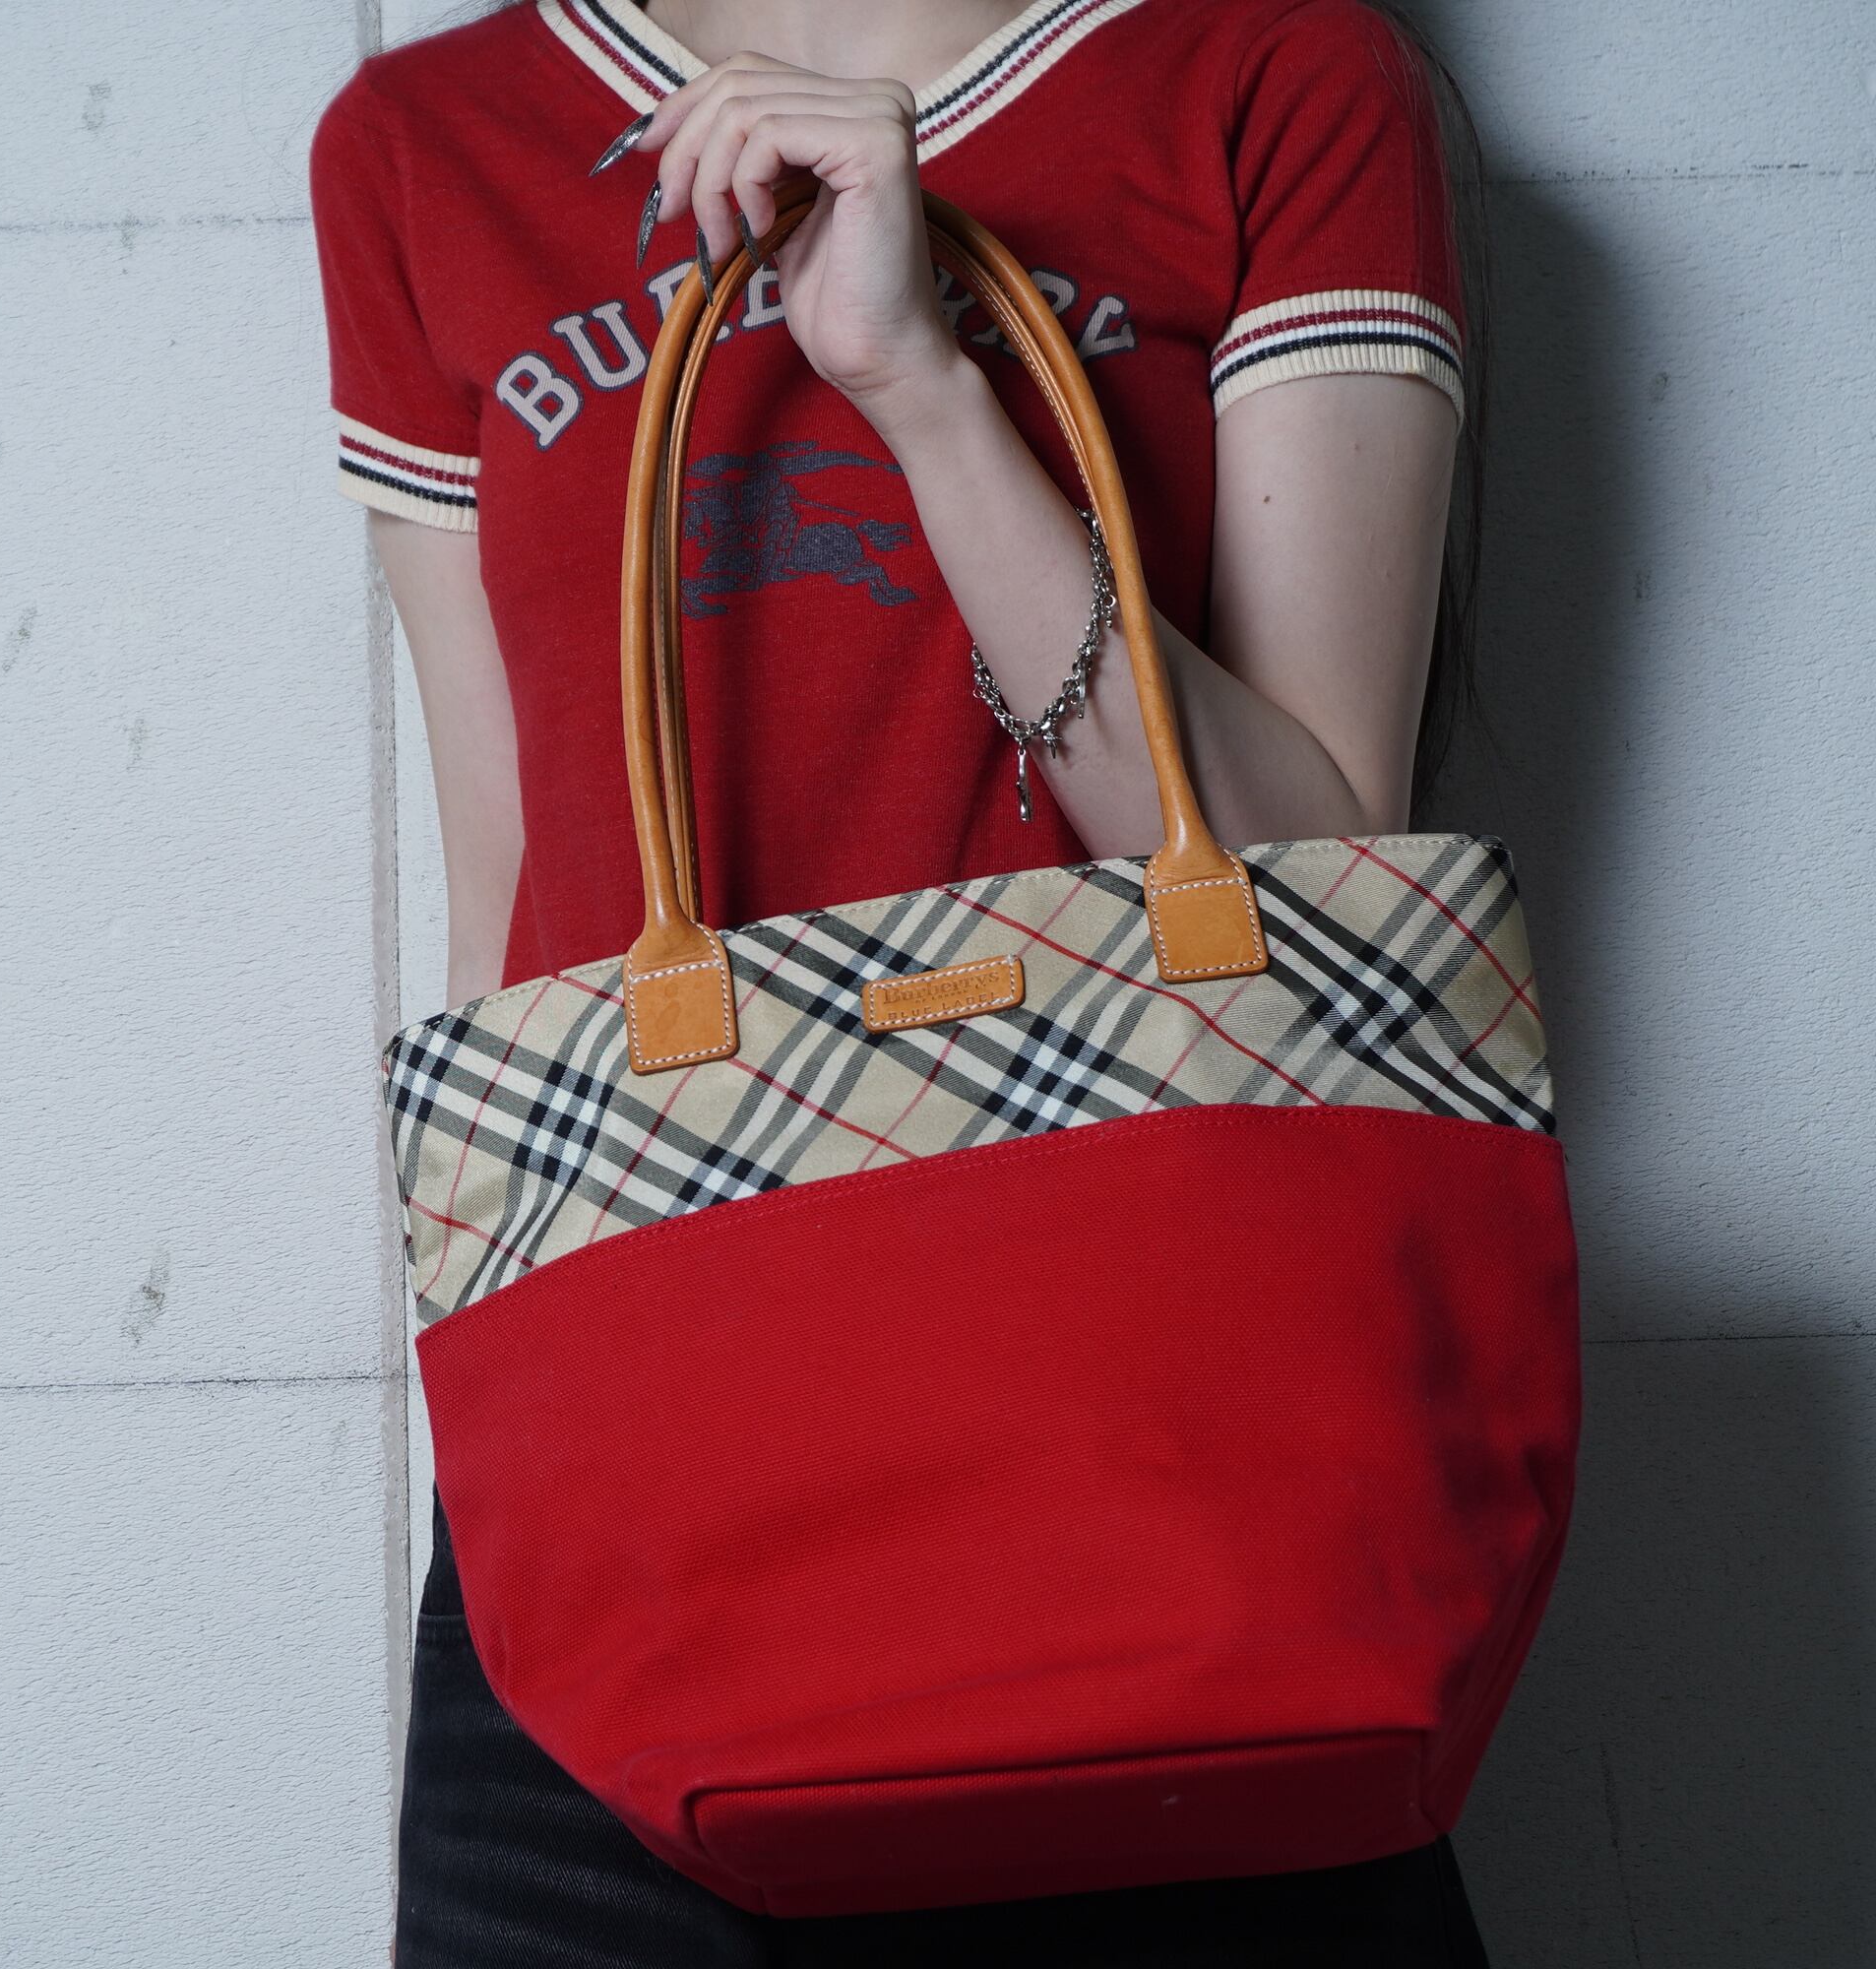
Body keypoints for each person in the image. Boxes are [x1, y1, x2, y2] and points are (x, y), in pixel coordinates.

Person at [310, 1, 1497, 1961]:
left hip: (1174, 1444)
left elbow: (1314, 899)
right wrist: (516, 1433)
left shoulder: (1269, 75)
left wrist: (920, 385)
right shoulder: (430, 144)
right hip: (636, 1462)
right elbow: (513, 895)